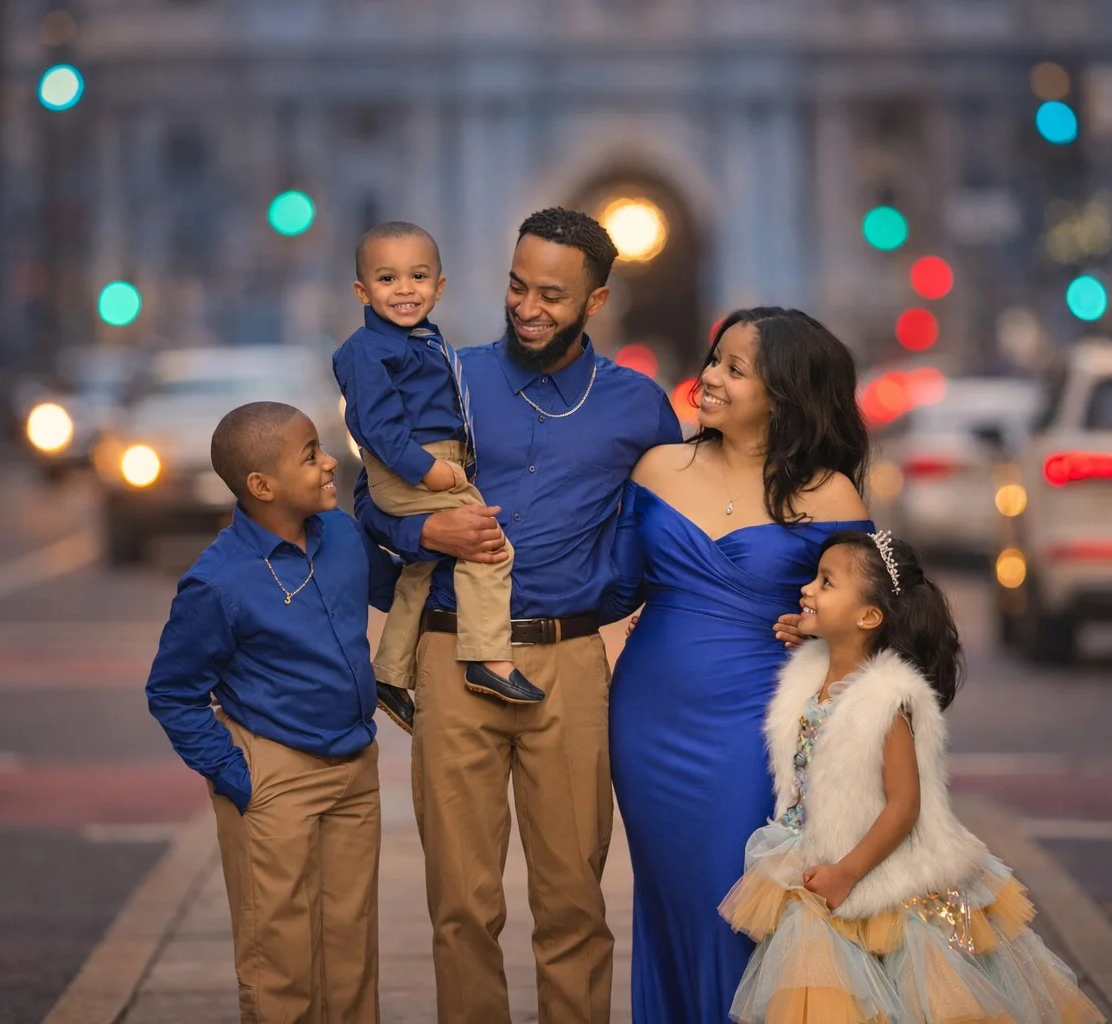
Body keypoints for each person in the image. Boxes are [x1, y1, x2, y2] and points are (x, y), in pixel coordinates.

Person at [356, 207, 682, 1023]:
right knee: (461, 906)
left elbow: (668, 530)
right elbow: (367, 495)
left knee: (574, 903)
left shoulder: (639, 408)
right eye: (515, 286)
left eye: (551, 295)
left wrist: (603, 600)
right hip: (451, 657)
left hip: (570, 665)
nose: (527, 307)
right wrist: (421, 529)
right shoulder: (443, 376)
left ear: (596, 299)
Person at [601, 308, 874, 1022]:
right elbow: (614, 584)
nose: (709, 377)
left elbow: (876, 616)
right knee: (671, 897)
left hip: (758, 721)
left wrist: (818, 628)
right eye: (712, 360)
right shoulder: (658, 467)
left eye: (733, 368)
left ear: (782, 394)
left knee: (740, 897)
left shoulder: (832, 494)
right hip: (648, 717)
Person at [717, 530, 1106, 1024]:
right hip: (809, 860)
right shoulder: (812, 680)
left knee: (890, 998)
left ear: (869, 617)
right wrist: (814, 627)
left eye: (826, 583)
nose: (807, 589)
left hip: (867, 872)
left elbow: (904, 805)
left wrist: (846, 873)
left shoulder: (884, 702)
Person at [146, 401, 397, 1024]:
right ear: (263, 486)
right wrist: (235, 775)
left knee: (351, 951)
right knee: (279, 964)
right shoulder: (219, 582)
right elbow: (172, 691)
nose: (329, 461)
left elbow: (399, 588)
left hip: (355, 767)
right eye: (310, 454)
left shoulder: (342, 534)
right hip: (273, 774)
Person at [333, 221, 539, 736]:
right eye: (387, 279)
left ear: (439, 286)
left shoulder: (423, 341)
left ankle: (388, 673)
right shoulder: (368, 350)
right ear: (362, 291)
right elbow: (375, 427)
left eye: (418, 276)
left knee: (420, 574)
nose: (405, 289)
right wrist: (429, 470)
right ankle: (488, 659)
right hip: (414, 464)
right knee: (488, 547)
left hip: (431, 460)